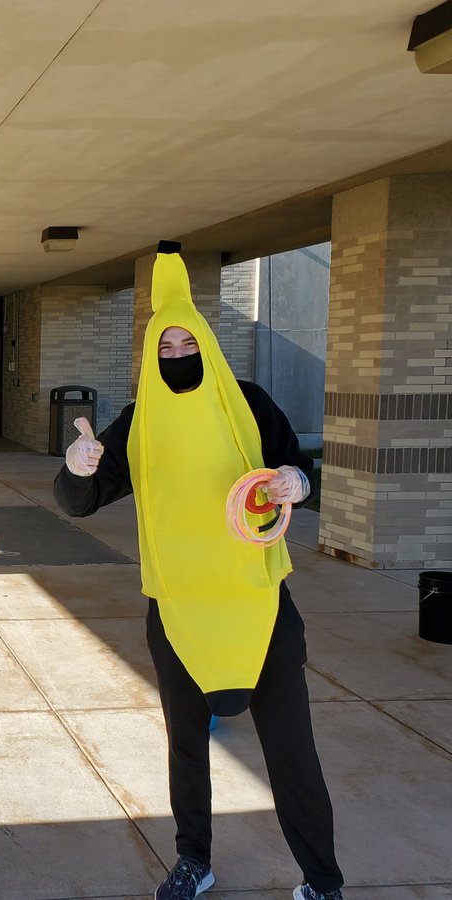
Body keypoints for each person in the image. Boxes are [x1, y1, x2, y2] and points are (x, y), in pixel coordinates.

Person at [53, 246, 342, 900]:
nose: (178, 352)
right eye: (166, 343)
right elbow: (79, 502)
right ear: (152, 351)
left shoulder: (249, 404)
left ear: (207, 344)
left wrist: (298, 481)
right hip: (178, 612)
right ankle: (194, 859)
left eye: (189, 340)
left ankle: (322, 881)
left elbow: (298, 472)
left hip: (260, 608)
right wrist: (79, 463)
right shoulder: (140, 423)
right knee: (188, 749)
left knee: (292, 756)